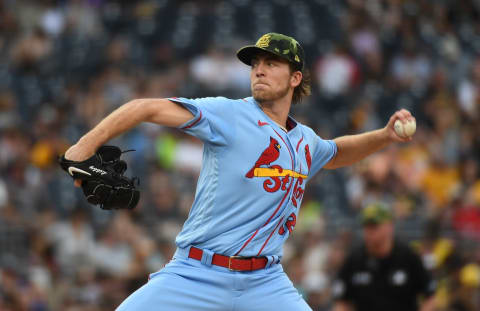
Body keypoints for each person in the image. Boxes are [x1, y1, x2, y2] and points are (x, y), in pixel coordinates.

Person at [64, 32, 415, 310]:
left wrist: (384, 136)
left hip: (265, 281)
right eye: (255, 63)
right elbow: (146, 108)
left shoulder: (305, 141)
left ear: (295, 77)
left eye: (271, 62)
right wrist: (84, 146)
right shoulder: (228, 114)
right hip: (197, 272)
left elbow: (336, 152)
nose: (259, 69)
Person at [332, 203, 437, 311]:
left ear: (389, 226)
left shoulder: (408, 257)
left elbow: (430, 297)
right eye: (366, 226)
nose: (369, 232)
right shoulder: (354, 260)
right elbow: (341, 302)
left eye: (374, 226)